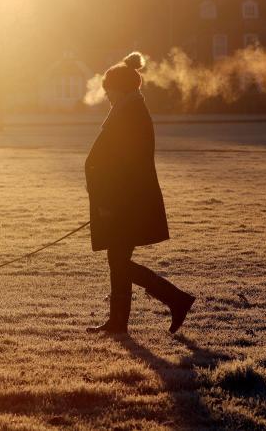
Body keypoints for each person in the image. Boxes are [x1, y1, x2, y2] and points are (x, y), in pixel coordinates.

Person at [85, 52, 194, 335]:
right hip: (124, 201)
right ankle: (118, 323)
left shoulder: (129, 114)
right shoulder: (127, 110)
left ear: (120, 88)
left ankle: (176, 299)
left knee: (119, 261)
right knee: (117, 260)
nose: (106, 94)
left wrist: (108, 202)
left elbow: (124, 167)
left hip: (124, 203)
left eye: (109, 89)